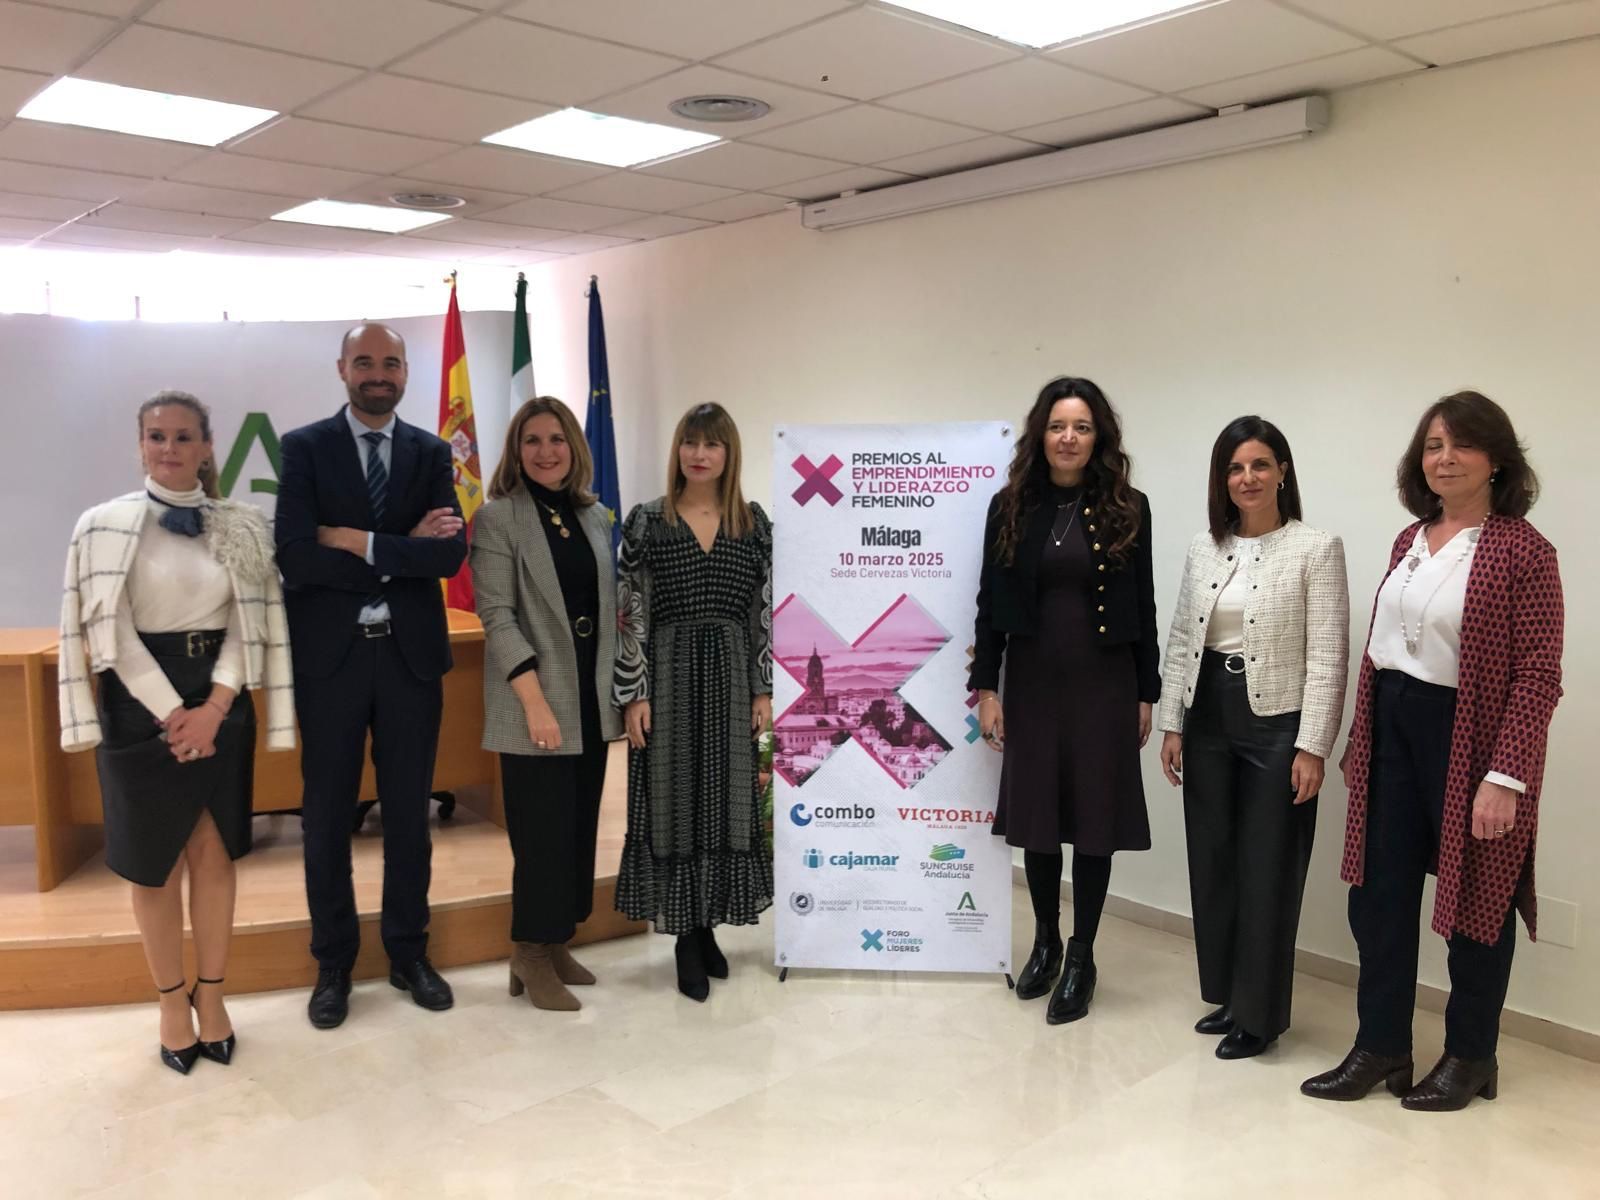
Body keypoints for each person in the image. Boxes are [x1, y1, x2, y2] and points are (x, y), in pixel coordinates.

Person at [1302, 391, 1563, 1111]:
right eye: (1432, 446)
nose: (1444, 459)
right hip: (1394, 726)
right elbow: (1384, 650)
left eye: (1461, 445)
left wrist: (1505, 776)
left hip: (1472, 738)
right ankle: (1381, 1043)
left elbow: (1539, 674)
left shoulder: (1524, 552)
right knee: (1378, 900)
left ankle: (1471, 1056)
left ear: (1497, 459)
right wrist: (1363, 737)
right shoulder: (1409, 540)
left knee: (1479, 905)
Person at [59, 391, 294, 1073]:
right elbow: (111, 632)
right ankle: (169, 1002)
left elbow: (251, 622)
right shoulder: (102, 526)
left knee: (212, 852)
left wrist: (216, 706)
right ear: (140, 444)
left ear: (207, 445)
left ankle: (213, 995)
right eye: (157, 437)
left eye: (184, 437)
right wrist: (173, 712)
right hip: (138, 706)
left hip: (221, 698)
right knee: (154, 861)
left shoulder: (243, 524)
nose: (170, 449)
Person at [275, 323, 467, 1029]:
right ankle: (333, 963)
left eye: (390, 363)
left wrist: (354, 540)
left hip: (410, 659)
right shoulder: (304, 448)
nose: (377, 373)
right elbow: (295, 557)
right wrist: (399, 550)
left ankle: (408, 951)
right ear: (342, 369)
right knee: (325, 813)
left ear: (406, 372)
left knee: (408, 813)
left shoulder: (431, 451)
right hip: (333, 661)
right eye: (365, 362)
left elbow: (448, 559)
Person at [1157, 416, 1349, 1059]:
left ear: (1283, 472)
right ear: (1223, 479)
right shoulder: (1203, 547)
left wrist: (1313, 745)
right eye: (1236, 468)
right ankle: (1230, 996)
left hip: (1275, 725)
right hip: (1206, 712)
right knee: (1213, 862)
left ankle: (1261, 1018)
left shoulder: (1316, 548)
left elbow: (1328, 655)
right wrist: (1172, 724)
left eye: (1261, 465)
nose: (1248, 478)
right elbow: (1183, 637)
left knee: (1268, 869)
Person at [971, 376, 1159, 1025]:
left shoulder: (1128, 506)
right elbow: (989, 605)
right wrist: (986, 687)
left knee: (1096, 822)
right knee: (1041, 822)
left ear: (1097, 435)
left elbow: (1147, 606)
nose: (1069, 437)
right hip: (1034, 684)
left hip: (1104, 685)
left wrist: (1146, 691)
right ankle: (1046, 941)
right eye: (1058, 426)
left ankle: (1083, 956)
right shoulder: (1010, 507)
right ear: (1041, 435)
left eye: (1081, 426)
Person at [614, 402, 773, 1002]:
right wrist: (635, 694)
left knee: (724, 799)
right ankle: (685, 935)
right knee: (676, 803)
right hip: (670, 674)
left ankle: (707, 928)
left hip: (732, 674)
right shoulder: (647, 522)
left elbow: (764, 610)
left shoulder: (752, 524)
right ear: (678, 450)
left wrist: (762, 686)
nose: (699, 454)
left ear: (729, 453)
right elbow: (630, 610)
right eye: (690, 443)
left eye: (711, 444)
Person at [471, 396, 622, 1011]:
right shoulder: (499, 518)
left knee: (577, 827)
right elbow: (496, 615)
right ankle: (529, 953)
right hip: (533, 696)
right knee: (540, 834)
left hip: (588, 693)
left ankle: (556, 941)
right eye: (532, 440)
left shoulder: (593, 517)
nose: (545, 451)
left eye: (556, 439)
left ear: (574, 448)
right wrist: (533, 701)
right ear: (516, 449)